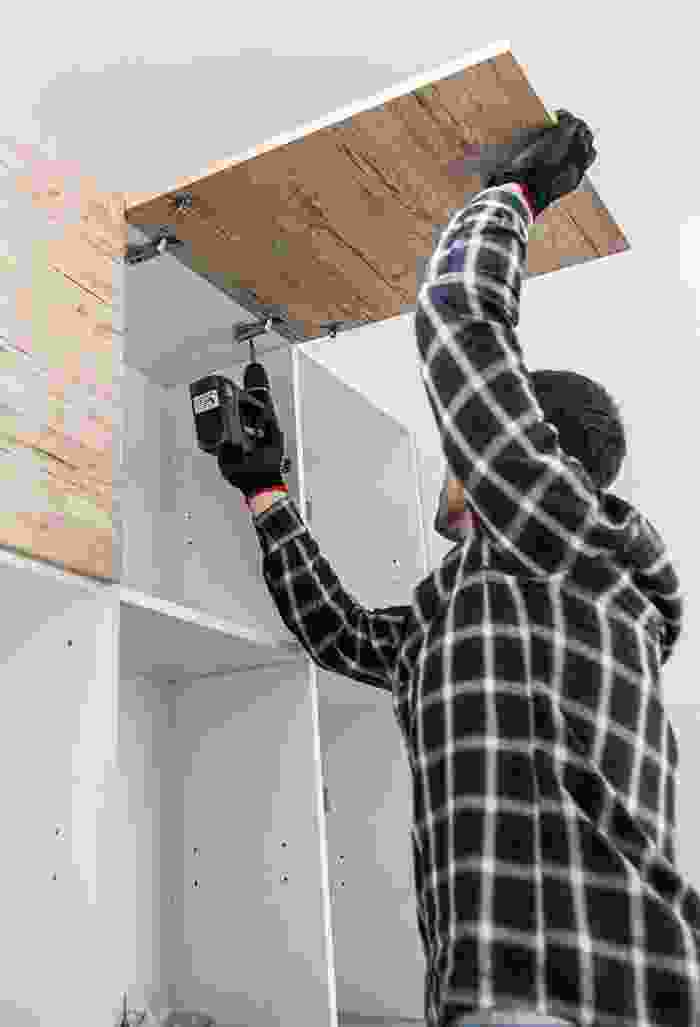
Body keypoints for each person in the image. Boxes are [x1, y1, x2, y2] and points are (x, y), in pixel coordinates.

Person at [217, 110, 700, 1027]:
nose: (455, 455)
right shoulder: (471, 613)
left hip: (585, 1000)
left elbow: (458, 314)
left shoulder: (565, 543)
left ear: (536, 457)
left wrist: (516, 193)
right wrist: (264, 489)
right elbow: (342, 634)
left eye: (473, 445)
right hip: (496, 999)